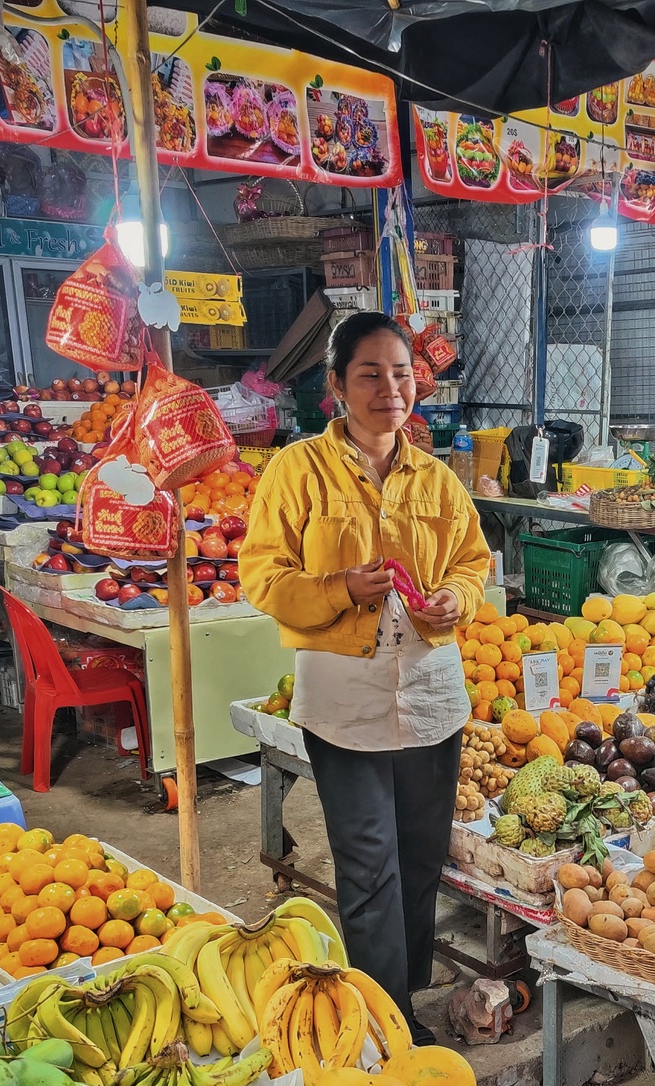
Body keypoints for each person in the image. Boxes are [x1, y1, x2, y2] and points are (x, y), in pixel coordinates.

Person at [240, 313, 492, 1042]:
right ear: (336, 386)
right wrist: (340, 589)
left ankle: (400, 991)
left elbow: (473, 561)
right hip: (344, 702)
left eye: (401, 372)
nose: (390, 389)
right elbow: (263, 573)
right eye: (370, 374)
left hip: (432, 695)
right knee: (369, 862)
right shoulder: (296, 472)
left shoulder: (436, 478)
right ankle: (387, 1022)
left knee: (418, 857)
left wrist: (459, 597)